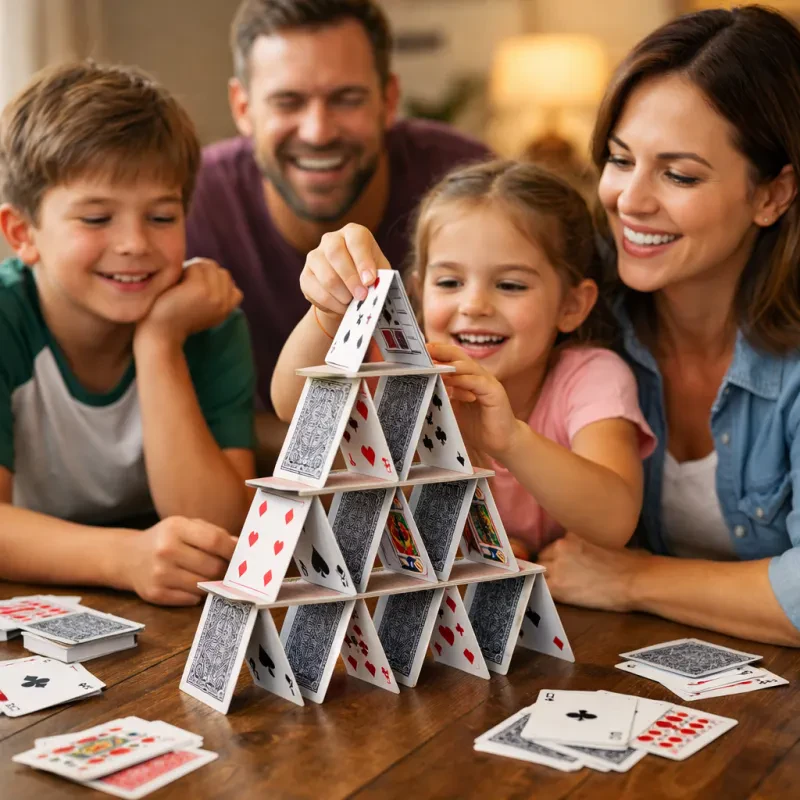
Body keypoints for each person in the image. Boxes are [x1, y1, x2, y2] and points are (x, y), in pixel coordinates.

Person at [534, 5, 800, 647]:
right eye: (621, 160)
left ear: (772, 195)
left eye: (678, 174)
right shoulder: (574, 297)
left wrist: (632, 580)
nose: (630, 200)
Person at [271, 160, 656, 557]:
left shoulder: (590, 377)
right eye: (449, 282)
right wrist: (333, 309)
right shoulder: (400, 366)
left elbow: (615, 520)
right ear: (418, 292)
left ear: (572, 305)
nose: (473, 305)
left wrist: (510, 439)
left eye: (510, 285)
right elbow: (290, 404)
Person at [185, 0, 489, 464]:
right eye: (288, 101)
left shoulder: (467, 185)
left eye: (346, 99)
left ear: (388, 100)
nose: (318, 131)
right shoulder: (188, 207)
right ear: (243, 108)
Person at [0, 62, 257, 606]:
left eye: (161, 218)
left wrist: (159, 342)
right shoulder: (6, 319)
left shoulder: (207, 320)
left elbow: (217, 527)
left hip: (158, 605)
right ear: (24, 233)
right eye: (96, 219)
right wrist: (124, 558)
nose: (135, 243)